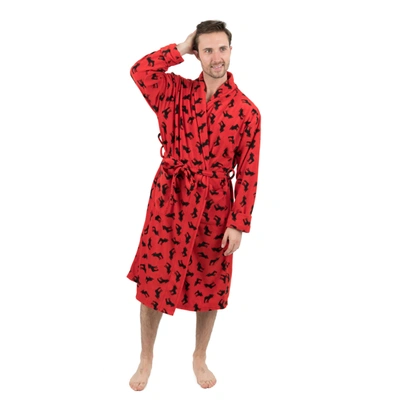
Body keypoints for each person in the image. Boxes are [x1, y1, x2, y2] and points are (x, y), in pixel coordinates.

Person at [127, 20, 261, 391]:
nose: (217, 58)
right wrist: (180, 48)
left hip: (215, 205)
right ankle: (146, 357)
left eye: (222, 49)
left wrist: (238, 223)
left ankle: (199, 356)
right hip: (171, 197)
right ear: (197, 53)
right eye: (207, 50)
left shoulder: (247, 112)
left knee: (210, 281)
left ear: (231, 51)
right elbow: (139, 72)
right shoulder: (175, 92)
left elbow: (248, 172)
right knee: (154, 278)